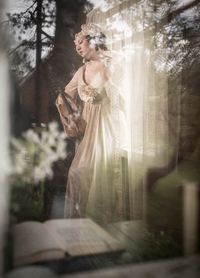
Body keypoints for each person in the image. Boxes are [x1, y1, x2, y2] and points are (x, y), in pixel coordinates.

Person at [56, 23, 127, 224]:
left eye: (81, 41)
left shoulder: (115, 60)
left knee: (100, 176)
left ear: (93, 40)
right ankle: (77, 227)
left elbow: (122, 95)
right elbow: (63, 97)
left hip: (108, 127)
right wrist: (70, 120)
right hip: (89, 129)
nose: (77, 46)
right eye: (75, 44)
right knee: (77, 174)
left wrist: (107, 82)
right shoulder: (81, 71)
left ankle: (103, 228)